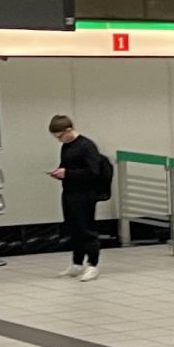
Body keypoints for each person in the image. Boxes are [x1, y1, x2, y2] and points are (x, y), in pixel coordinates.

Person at [48, 116, 113, 281]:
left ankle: (92, 265)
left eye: (60, 136)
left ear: (69, 130)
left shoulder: (87, 146)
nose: (59, 140)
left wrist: (67, 174)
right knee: (73, 229)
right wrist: (60, 173)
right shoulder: (66, 146)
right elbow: (68, 166)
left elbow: (93, 171)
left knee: (86, 229)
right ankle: (77, 264)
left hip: (85, 194)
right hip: (70, 192)